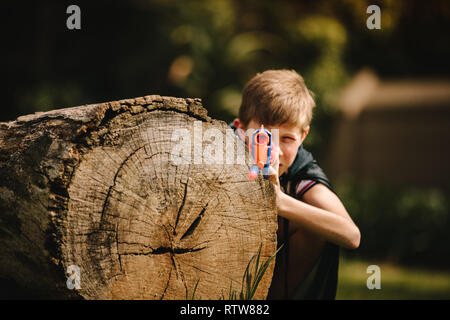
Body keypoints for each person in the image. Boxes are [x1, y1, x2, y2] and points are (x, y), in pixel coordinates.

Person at [229, 69, 360, 299]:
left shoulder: (303, 176)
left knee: (314, 225)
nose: (276, 151)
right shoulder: (223, 150)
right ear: (240, 129)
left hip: (279, 284)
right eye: (264, 138)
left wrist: (279, 202)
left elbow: (351, 235)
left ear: (303, 136)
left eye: (287, 139)